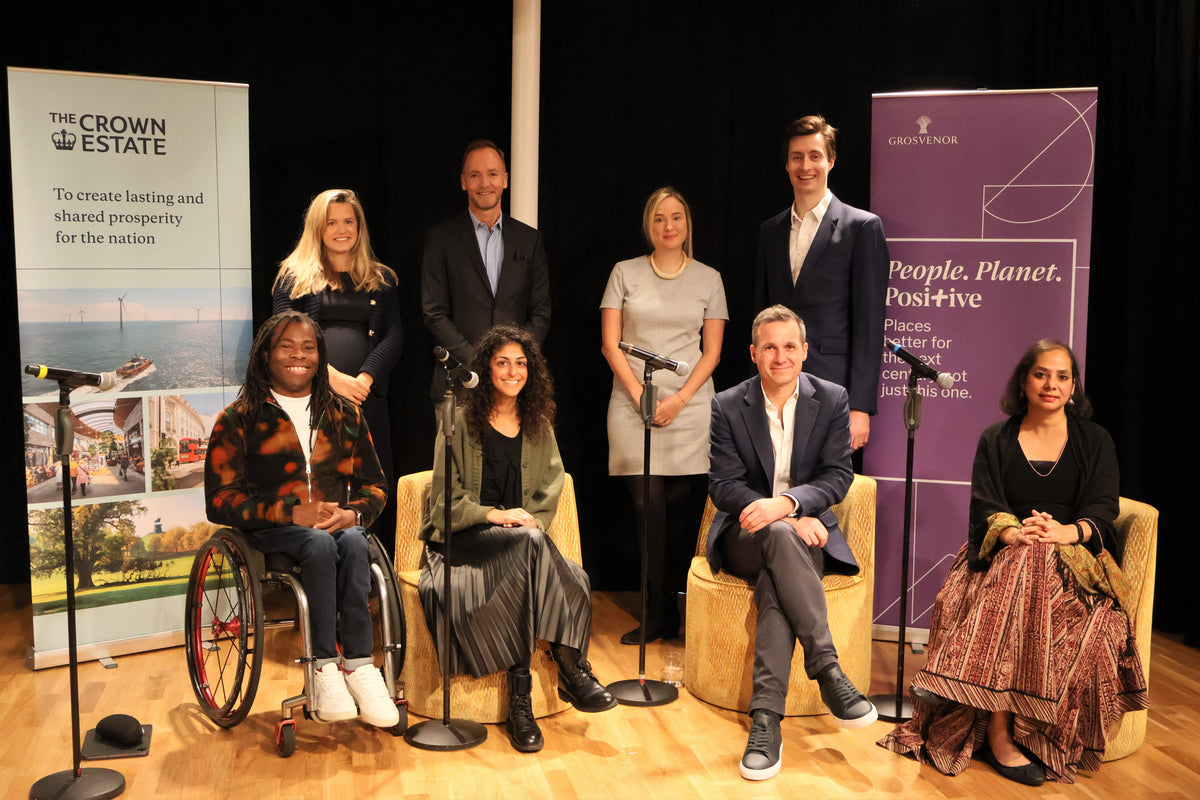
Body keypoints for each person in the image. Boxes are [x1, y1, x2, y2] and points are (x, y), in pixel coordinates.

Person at [878, 340, 1148, 785]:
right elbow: (985, 505)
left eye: (1063, 376)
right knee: (1026, 558)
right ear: (1023, 381)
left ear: (1074, 386)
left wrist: (1062, 532)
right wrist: (1012, 532)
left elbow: (1102, 510)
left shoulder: (1095, 441)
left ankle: (983, 701)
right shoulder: (996, 438)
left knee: (1037, 559)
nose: (1051, 384)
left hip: (1074, 566)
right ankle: (1001, 731)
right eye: (1041, 374)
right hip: (1004, 556)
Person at [420, 323, 615, 753]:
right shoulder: (456, 418)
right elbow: (443, 499)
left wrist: (531, 521)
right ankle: (570, 668)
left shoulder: (538, 423)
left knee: (529, 546)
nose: (513, 371)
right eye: (502, 362)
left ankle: (521, 703)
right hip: (466, 540)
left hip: (519, 543)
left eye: (521, 363)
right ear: (486, 368)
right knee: (533, 548)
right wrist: (494, 514)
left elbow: (551, 485)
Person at [205, 310, 399, 730]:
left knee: (350, 540)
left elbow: (376, 485)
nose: (299, 356)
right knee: (321, 542)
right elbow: (220, 502)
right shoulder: (238, 418)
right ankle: (324, 666)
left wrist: (352, 512)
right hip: (270, 537)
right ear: (266, 355)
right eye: (286, 347)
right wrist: (291, 512)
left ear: (320, 355)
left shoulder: (344, 414)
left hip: (332, 534)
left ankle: (360, 666)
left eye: (308, 348)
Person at [708, 305, 877, 782]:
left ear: (804, 352)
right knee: (779, 539)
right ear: (753, 354)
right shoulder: (727, 404)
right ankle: (827, 671)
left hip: (803, 530)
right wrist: (776, 514)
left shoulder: (833, 398)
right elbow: (723, 483)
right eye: (769, 347)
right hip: (744, 532)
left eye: (788, 346)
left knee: (774, 587)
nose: (779, 356)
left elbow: (838, 476)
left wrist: (789, 507)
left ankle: (766, 724)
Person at [600, 186, 728, 644]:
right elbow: (610, 343)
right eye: (659, 219)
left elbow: (712, 352)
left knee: (680, 511)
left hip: (690, 406)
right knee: (646, 509)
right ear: (648, 226)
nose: (668, 226)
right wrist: (639, 394)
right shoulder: (624, 273)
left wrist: (678, 400)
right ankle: (654, 611)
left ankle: (674, 605)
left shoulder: (709, 279)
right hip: (634, 403)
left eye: (676, 218)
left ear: (687, 225)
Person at [272, 189, 402, 549]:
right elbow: (282, 337)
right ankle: (324, 564)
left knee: (371, 485)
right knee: (324, 482)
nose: (342, 229)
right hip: (314, 400)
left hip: (367, 399)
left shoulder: (382, 278)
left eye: (349, 221)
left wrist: (364, 379)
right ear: (318, 227)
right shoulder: (293, 276)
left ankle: (372, 575)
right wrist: (333, 379)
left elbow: (392, 336)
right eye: (333, 222)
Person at [754, 115, 889, 453]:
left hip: (834, 390)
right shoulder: (770, 231)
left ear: (831, 161)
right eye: (797, 157)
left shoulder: (862, 227)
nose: (805, 165)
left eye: (815, 156)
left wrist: (859, 407)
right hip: (775, 386)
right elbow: (761, 316)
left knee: (824, 498)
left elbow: (869, 325)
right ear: (786, 164)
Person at [421, 140, 551, 393]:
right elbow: (434, 314)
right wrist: (481, 363)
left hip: (516, 384)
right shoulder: (440, 239)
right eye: (475, 175)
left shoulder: (529, 240)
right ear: (463, 182)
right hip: (459, 382)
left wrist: (510, 362)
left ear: (505, 179)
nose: (484, 184)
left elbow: (541, 312)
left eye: (492, 174)